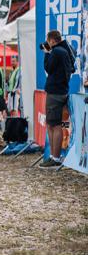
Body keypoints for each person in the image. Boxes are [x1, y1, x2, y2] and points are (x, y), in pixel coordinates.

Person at [41, 29, 76, 167]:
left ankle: (54, 157)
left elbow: (48, 68)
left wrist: (46, 53)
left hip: (55, 93)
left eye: (48, 41)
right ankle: (55, 156)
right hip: (62, 91)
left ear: (52, 40)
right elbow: (71, 69)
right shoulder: (66, 50)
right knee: (57, 125)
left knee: (53, 125)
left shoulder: (56, 51)